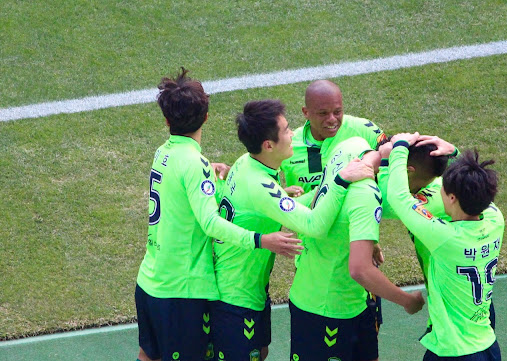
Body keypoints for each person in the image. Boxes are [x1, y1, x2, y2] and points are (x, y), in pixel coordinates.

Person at [134, 68, 302, 361]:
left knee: (148, 356)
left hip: (149, 281)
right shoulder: (195, 163)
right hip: (180, 290)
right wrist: (261, 239)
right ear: (206, 117)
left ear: (166, 120)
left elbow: (188, 199)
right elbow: (212, 223)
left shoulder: (163, 153)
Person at [211, 99, 374, 361]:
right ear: (268, 145)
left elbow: (275, 208)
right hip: (234, 298)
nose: (292, 135)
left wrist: (317, 188)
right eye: (287, 130)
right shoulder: (259, 185)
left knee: (260, 352)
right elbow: (314, 225)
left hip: (248, 289)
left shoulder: (247, 163)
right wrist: (340, 179)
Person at [288, 136, 426, 361]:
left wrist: (365, 240)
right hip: (327, 309)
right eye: (417, 187)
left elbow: (334, 208)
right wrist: (407, 300)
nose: (413, 193)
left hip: (353, 302)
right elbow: (360, 270)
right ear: (405, 172)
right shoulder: (366, 194)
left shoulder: (351, 146)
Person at [385, 133, 504, 361]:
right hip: (487, 345)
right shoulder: (495, 219)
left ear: (451, 198)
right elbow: (481, 189)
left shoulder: (444, 238)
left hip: (452, 352)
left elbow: (398, 196)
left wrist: (399, 146)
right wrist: (457, 155)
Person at [280, 79, 387, 203]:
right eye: (323, 113)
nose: (332, 119)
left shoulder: (364, 130)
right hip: (306, 220)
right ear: (306, 112)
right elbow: (262, 177)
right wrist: (281, 194)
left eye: (337, 112)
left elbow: (391, 162)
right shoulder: (289, 143)